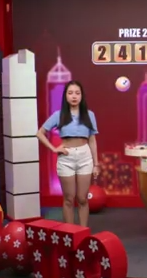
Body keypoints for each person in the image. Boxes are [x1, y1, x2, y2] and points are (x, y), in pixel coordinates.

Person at [36, 80, 100, 227]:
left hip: (85, 157)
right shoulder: (58, 115)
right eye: (70, 93)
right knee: (69, 199)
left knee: (82, 198)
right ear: (65, 96)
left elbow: (92, 140)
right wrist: (53, 148)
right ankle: (70, 234)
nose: (74, 96)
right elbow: (40, 133)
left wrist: (96, 164)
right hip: (66, 158)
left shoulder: (89, 115)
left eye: (77, 93)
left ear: (82, 96)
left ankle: (83, 232)